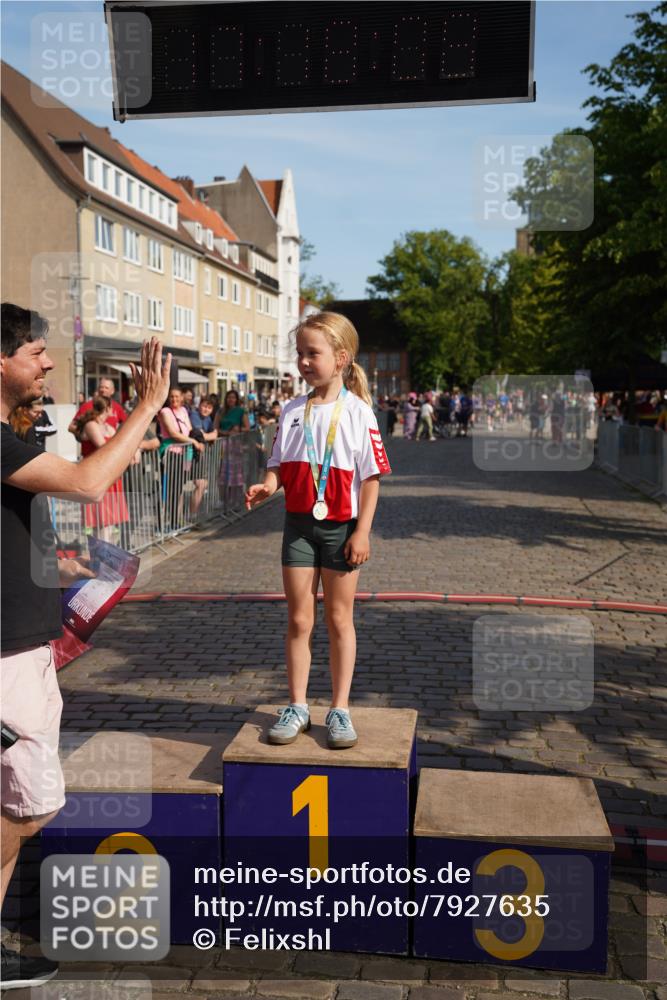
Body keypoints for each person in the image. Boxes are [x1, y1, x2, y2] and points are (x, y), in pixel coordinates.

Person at [1, 303, 170, 989]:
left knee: (17, 807)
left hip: (22, 648)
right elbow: (88, 481)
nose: (46, 363)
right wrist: (149, 405)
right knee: (26, 809)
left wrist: (58, 567)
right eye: (37, 350)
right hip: (6, 659)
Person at [245, 311, 391, 750]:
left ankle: (341, 708)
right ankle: (298, 705)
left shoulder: (359, 412)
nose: (304, 362)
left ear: (341, 358)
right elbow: (277, 466)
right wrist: (267, 485)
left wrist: (362, 532)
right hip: (298, 528)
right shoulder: (291, 411)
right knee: (298, 619)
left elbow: (370, 479)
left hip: (341, 529)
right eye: (300, 354)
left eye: (313, 353)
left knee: (339, 618)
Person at [75, 396, 131, 543]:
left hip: (110, 477)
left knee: (109, 524)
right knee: (100, 522)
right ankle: (100, 560)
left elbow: (120, 447)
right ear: (108, 409)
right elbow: (103, 447)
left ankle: (105, 559)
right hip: (96, 476)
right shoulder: (91, 425)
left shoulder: (109, 427)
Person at [157, 387, 207, 526]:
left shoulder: (184, 410)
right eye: (172, 397)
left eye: (177, 396)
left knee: (181, 487)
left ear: (182, 397)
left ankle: (176, 521)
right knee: (171, 489)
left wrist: (199, 440)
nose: (174, 399)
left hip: (184, 452)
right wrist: (193, 442)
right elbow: (173, 433)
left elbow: (190, 429)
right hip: (171, 452)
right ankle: (167, 522)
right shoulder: (165, 412)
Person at [215, 389, 250, 507]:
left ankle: (235, 500)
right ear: (226, 399)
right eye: (229, 397)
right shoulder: (221, 411)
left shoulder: (241, 411)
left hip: (236, 444)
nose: (231, 399)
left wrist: (237, 430)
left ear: (236, 399)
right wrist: (224, 432)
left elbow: (247, 428)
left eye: (233, 397)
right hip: (223, 444)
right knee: (222, 473)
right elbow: (215, 428)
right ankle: (222, 499)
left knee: (236, 474)